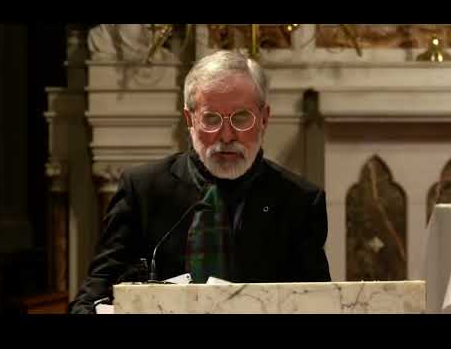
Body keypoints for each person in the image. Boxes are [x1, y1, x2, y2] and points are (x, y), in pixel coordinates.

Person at [69, 50, 331, 314]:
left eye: (241, 117)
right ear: (189, 120)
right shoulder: (143, 189)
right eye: (211, 118)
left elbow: (319, 305)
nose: (227, 135)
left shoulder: (300, 201)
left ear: (264, 119)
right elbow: (91, 297)